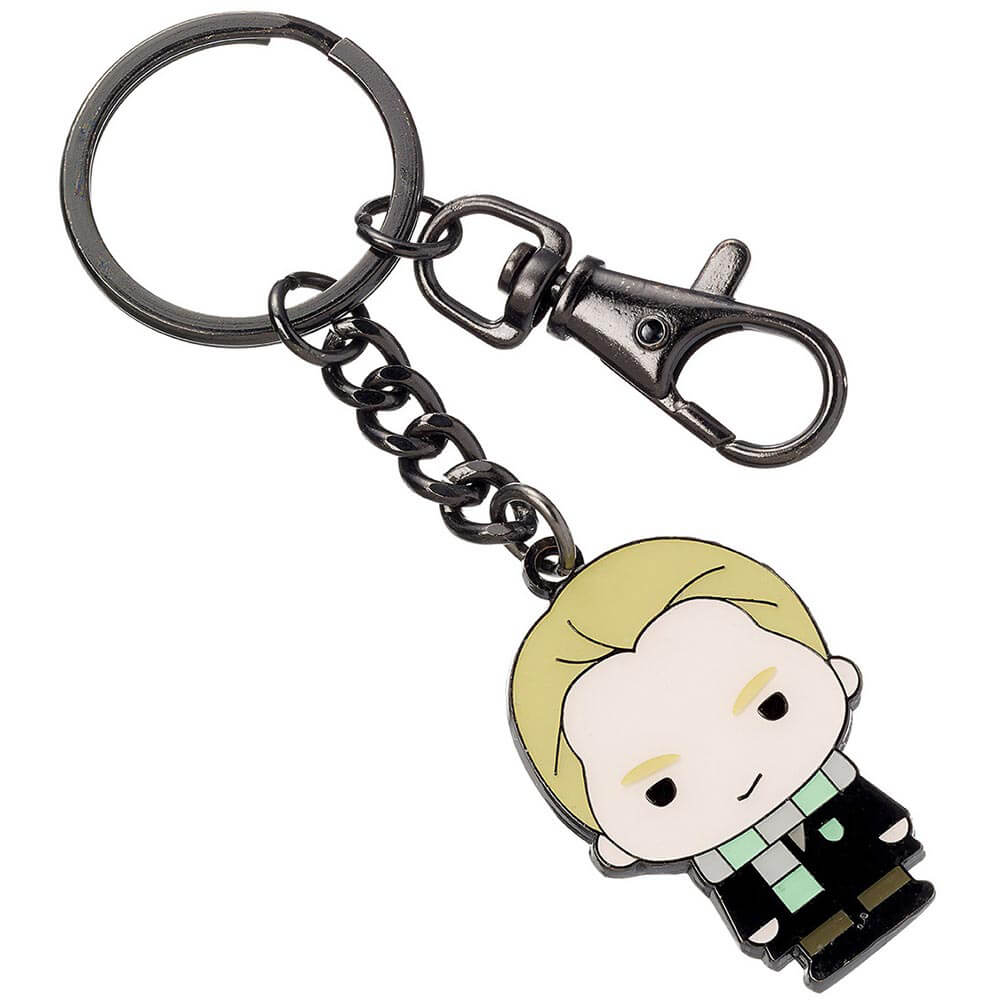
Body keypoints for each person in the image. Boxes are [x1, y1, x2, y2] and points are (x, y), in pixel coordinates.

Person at [510, 537, 933, 989]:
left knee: (865, 862)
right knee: (804, 909)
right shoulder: (723, 855)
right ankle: (825, 943)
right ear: (614, 843)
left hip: (839, 826)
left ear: (835, 673)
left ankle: (893, 891)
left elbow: (861, 804)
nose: (739, 775)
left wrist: (887, 824)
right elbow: (741, 890)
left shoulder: (825, 782)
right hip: (773, 879)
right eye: (662, 790)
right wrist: (756, 920)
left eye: (771, 706)